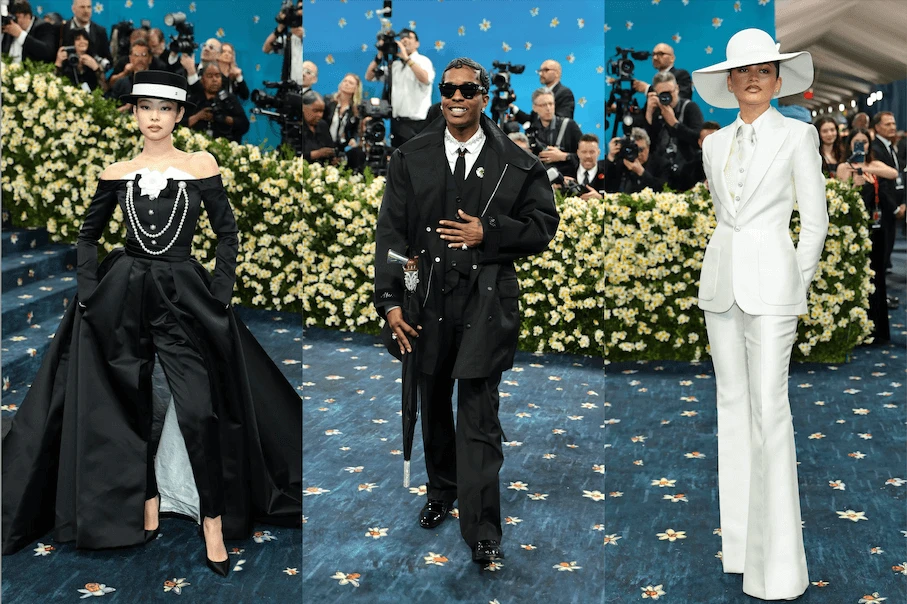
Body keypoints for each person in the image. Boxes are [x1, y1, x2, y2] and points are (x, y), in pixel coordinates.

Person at [1, 70, 301, 576]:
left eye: (165, 108)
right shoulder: (117, 171)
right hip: (123, 295)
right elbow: (88, 236)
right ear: (135, 113)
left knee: (199, 408)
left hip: (184, 296)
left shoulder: (200, 164)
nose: (154, 117)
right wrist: (89, 292)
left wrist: (220, 294)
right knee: (127, 404)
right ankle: (146, 499)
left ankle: (212, 519)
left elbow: (227, 234)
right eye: (146, 107)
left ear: (180, 115)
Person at [374, 57, 559, 566]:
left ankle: (482, 529)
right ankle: (441, 491)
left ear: (484, 97)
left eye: (467, 90)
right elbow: (392, 235)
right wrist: (391, 301)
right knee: (432, 401)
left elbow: (543, 226)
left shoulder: (518, 164)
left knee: (478, 413)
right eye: (448, 89)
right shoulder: (410, 157)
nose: (456, 97)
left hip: (485, 302)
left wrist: (488, 232)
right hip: (425, 301)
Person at [692, 28, 828, 601]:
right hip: (720, 288)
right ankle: (742, 549)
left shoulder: (799, 135)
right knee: (731, 409)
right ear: (729, 82)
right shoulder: (713, 145)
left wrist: (792, 279)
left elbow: (814, 222)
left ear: (777, 81)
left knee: (771, 411)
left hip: (774, 291)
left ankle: (779, 569)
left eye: (764, 71)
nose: (753, 79)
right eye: (743, 71)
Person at [365, 28, 435, 147]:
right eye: (402, 38)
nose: (405, 40)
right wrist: (380, 54)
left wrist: (407, 59)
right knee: (397, 156)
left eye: (409, 37)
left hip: (417, 123)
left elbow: (425, 79)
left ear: (417, 43)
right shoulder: (395, 65)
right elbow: (369, 76)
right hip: (397, 123)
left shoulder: (423, 61)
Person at [642, 71, 704, 190]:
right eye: (662, 94)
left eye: (670, 92)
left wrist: (675, 124)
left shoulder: (690, 108)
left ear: (677, 89)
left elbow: (699, 140)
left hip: (686, 174)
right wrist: (648, 115)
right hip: (661, 175)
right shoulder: (654, 111)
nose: (667, 97)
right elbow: (648, 146)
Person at [870, 111, 906, 275]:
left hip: (893, 207)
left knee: (887, 251)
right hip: (883, 209)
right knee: (880, 255)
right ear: (877, 127)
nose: (892, 127)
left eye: (893, 123)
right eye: (888, 124)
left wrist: (902, 203)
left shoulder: (890, 147)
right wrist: (895, 208)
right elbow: (881, 184)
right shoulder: (875, 149)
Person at [186, 63, 250, 144]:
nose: (214, 80)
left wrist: (225, 119)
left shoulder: (229, 99)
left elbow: (244, 125)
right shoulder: (194, 99)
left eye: (217, 76)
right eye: (210, 76)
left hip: (224, 145)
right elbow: (179, 124)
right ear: (202, 80)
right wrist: (198, 117)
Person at [525, 88, 582, 176]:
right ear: (534, 108)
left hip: (567, 178)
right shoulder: (531, 131)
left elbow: (586, 155)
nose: (548, 108)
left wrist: (564, 156)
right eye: (543, 105)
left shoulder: (569, 125)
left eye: (551, 104)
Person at [603, 128, 665, 194]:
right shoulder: (621, 161)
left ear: (648, 147)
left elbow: (663, 189)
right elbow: (604, 184)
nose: (638, 154)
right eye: (634, 149)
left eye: (641, 149)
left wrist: (642, 172)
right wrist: (610, 157)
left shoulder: (661, 164)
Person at [324, 73, 365, 170]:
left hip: (343, 146)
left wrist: (354, 139)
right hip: (325, 143)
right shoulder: (328, 101)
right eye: (345, 81)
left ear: (356, 89)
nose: (346, 84)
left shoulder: (356, 109)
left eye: (350, 83)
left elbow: (356, 130)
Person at [511, 59, 575, 121]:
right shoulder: (541, 94)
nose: (541, 74)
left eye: (546, 70)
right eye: (540, 71)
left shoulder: (565, 93)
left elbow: (562, 120)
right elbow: (533, 120)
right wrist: (514, 109)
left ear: (557, 73)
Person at [54, 28, 107, 92]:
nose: (82, 41)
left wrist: (96, 69)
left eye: (85, 39)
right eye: (78, 39)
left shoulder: (94, 59)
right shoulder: (65, 60)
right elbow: (53, 84)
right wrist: (58, 63)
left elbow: (104, 89)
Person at [566, 133, 606, 198]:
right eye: (584, 152)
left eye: (592, 152)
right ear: (578, 153)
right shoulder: (567, 173)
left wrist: (600, 197)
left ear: (598, 153)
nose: (588, 156)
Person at [302, 90, 335, 164]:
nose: (320, 115)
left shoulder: (323, 125)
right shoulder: (295, 127)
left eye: (321, 111)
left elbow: (330, 147)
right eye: (315, 111)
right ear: (303, 108)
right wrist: (316, 154)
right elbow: (291, 156)